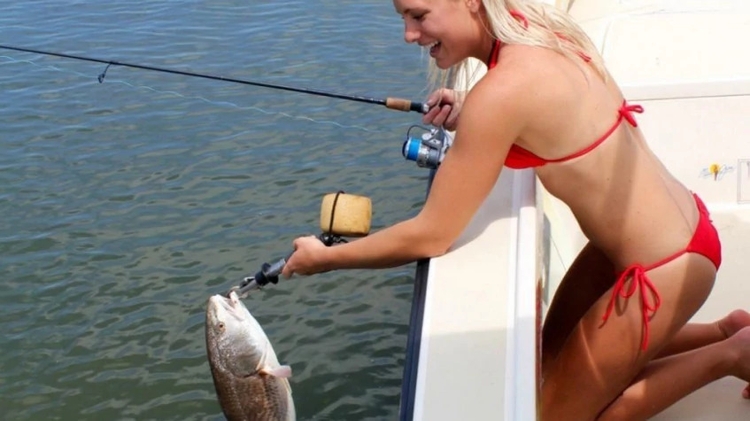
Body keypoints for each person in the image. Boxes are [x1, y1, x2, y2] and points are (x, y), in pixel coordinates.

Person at [281, 0, 750, 419]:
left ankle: (731, 354)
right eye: (403, 18)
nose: (409, 34)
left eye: (418, 15)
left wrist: (324, 259)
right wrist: (472, 104)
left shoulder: (503, 92)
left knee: (556, 416)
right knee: (549, 362)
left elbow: (432, 234)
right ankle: (721, 331)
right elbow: (545, 107)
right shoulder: (542, 32)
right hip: (665, 231)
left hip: (661, 270)